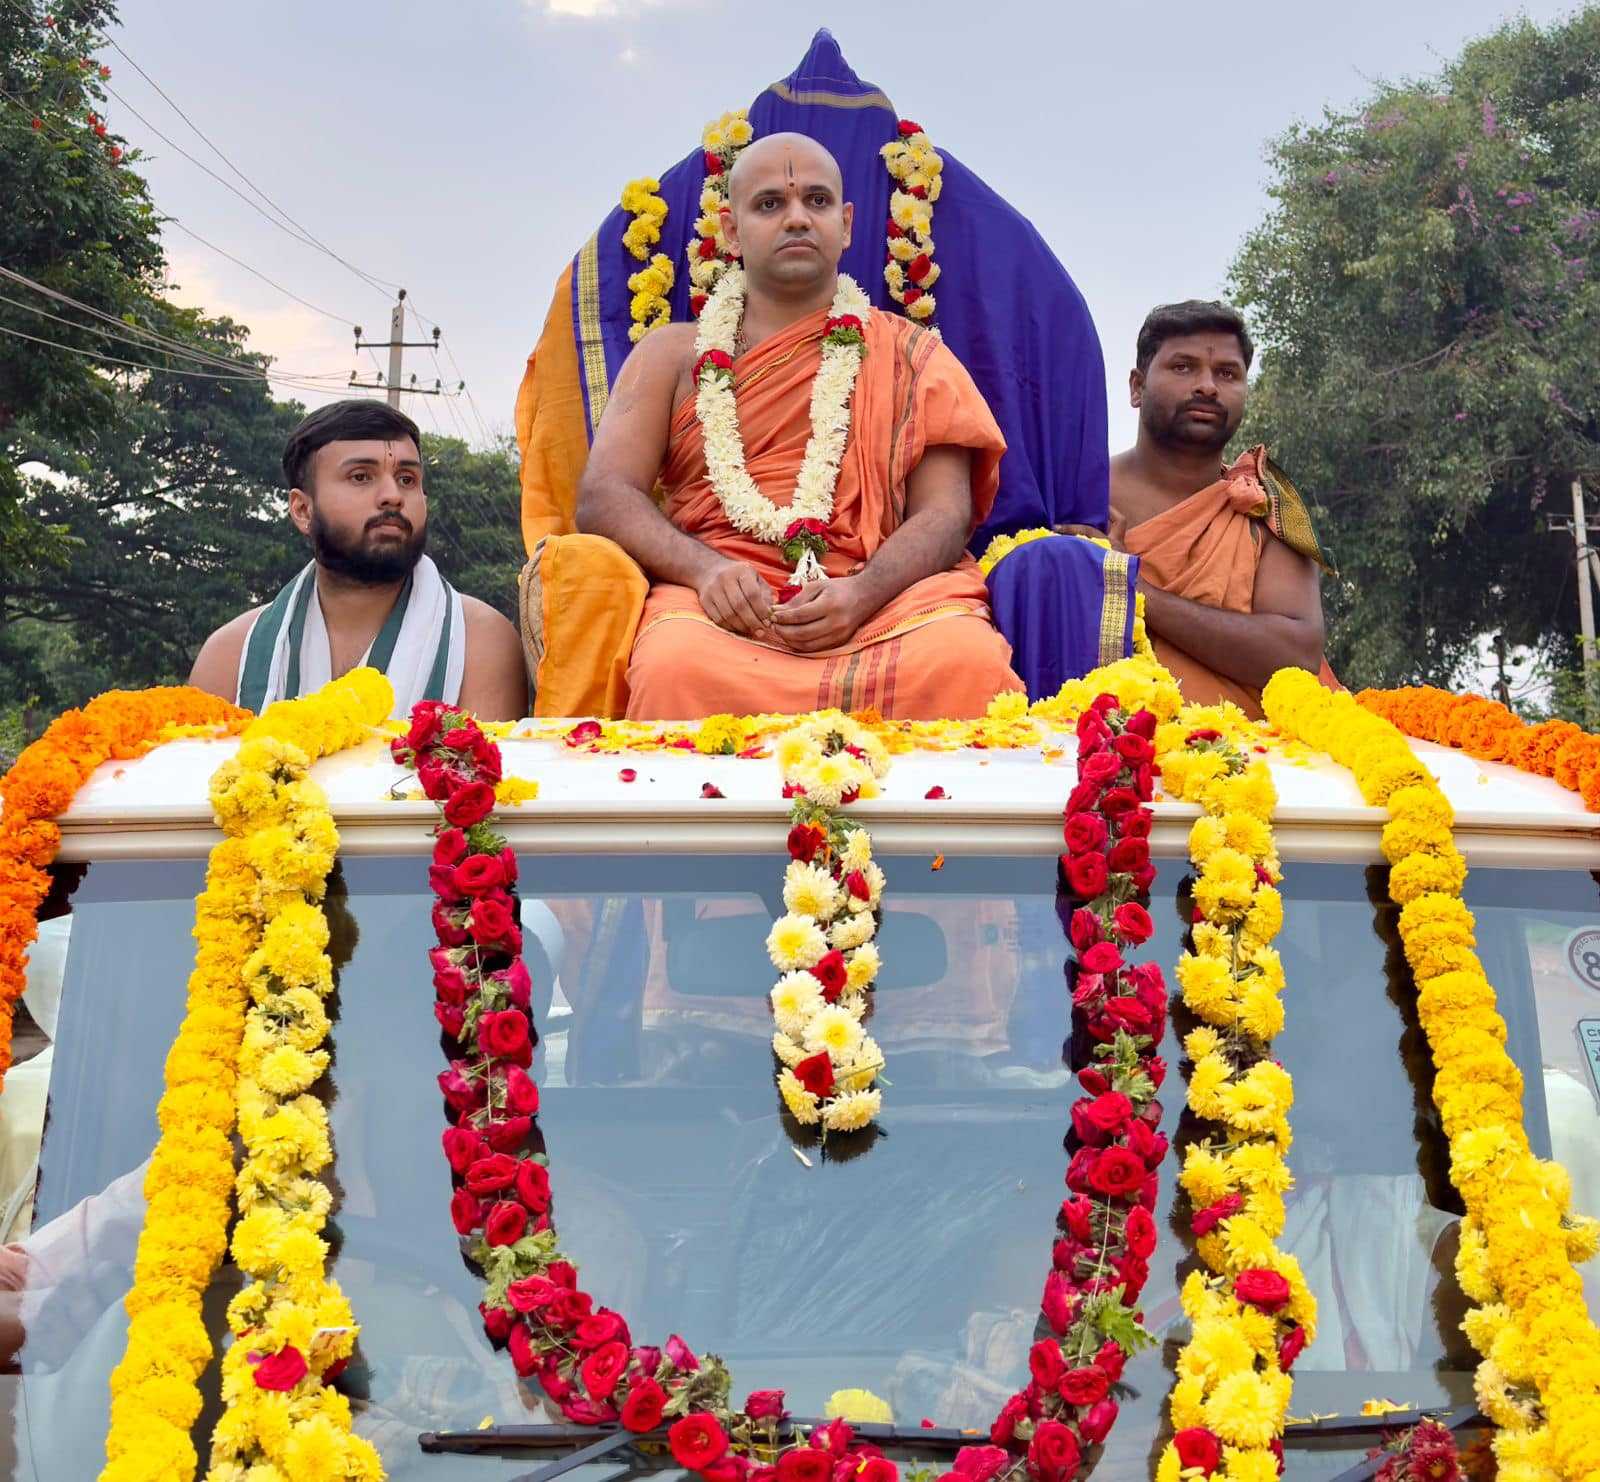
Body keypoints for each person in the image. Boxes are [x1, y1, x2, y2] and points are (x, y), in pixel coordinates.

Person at [572, 132, 1024, 720]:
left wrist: (861, 594)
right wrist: (706, 570)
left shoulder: (912, 355)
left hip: (884, 601)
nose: (796, 219)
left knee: (969, 663)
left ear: (848, 223)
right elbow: (605, 495)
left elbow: (944, 514)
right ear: (731, 231)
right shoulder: (671, 355)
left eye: (816, 201)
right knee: (671, 668)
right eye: (769, 204)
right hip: (724, 604)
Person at [189, 401, 527, 721]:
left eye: (407, 479)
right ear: (302, 510)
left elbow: (478, 778)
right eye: (361, 477)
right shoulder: (232, 656)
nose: (393, 495)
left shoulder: (479, 643)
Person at [1100, 300, 1334, 717]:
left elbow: (1296, 653)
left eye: (1227, 373)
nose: (1207, 386)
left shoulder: (1268, 505)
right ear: (1137, 387)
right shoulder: (1083, 491)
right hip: (1084, 749)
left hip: (1249, 763)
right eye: (1183, 367)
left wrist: (1134, 589)